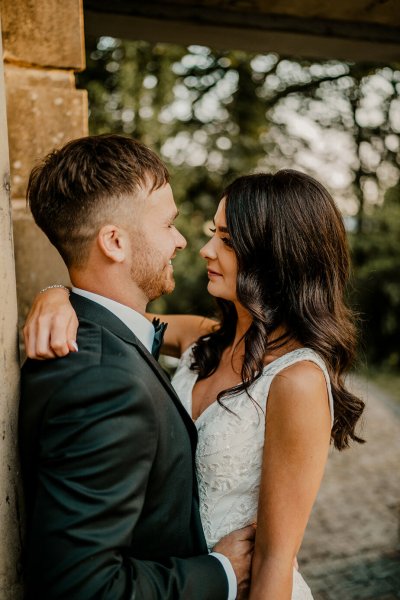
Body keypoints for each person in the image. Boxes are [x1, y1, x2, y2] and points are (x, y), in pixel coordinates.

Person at [24, 164, 365, 599]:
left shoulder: (296, 380)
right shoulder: (200, 337)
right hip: (180, 581)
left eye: (226, 240)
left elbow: (273, 562)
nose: (204, 249)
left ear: (274, 254)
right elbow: (108, 311)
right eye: (212, 232)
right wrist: (52, 293)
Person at [19, 134, 256, 600]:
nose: (184, 241)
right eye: (168, 224)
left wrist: (57, 290)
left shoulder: (94, 333)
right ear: (114, 241)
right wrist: (222, 573)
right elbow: (81, 588)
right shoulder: (103, 380)